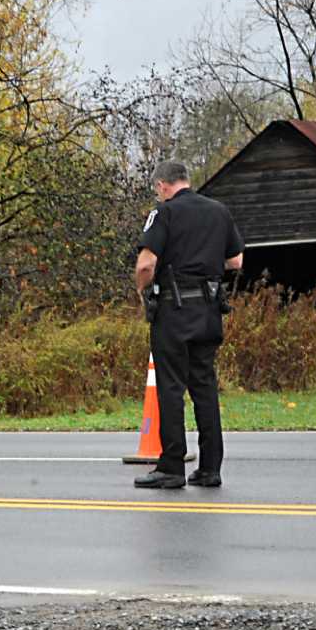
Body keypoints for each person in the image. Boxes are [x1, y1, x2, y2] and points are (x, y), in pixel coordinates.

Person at [132, 160, 244, 489]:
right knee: (204, 387)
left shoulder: (164, 212)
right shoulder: (218, 211)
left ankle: (171, 467)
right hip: (208, 310)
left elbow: (146, 263)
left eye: (158, 190)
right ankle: (210, 468)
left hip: (174, 309)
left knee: (170, 387)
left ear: (163, 185)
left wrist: (142, 290)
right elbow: (236, 260)